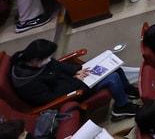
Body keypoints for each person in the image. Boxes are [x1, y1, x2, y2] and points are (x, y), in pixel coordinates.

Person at [9, 37, 139, 118]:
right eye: (47, 58)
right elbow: (51, 98)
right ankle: (121, 108)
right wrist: (76, 81)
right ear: (36, 60)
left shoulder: (32, 60)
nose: (49, 60)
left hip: (71, 81)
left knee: (114, 66)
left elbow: (56, 64)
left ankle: (126, 89)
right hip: (70, 94)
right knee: (113, 78)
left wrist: (76, 70)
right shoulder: (28, 84)